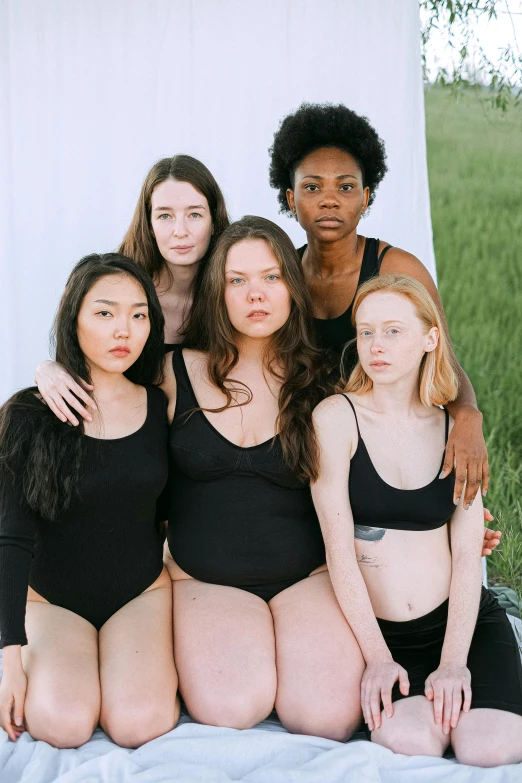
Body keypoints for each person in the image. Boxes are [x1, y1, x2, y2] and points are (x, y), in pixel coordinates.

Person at [161, 216, 365, 740]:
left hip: (307, 577)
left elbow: (379, 464)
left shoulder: (326, 378)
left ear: (293, 290)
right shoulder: (173, 371)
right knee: (233, 706)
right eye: (238, 280)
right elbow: (101, 416)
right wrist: (49, 373)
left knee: (327, 717)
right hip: (202, 578)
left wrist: (445, 518)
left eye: (272, 277)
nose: (256, 294)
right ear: (217, 292)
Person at [310, 274, 522, 767]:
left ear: (430, 339)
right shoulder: (336, 418)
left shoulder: (455, 430)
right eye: (365, 332)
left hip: (461, 626)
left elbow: (469, 555)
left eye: (392, 331)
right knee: (411, 743)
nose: (375, 346)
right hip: (384, 635)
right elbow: (338, 549)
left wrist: (454, 663)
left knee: (491, 748)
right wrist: (378, 657)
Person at [269, 103, 497, 523]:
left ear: (366, 197)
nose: (330, 201)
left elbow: (443, 360)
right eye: (313, 188)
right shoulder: (281, 275)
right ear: (291, 198)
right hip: (309, 444)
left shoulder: (396, 269)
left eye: (347, 187)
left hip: (380, 450)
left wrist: (468, 416)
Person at [0, 254, 178, 748]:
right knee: (63, 724)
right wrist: (8, 659)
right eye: (104, 312)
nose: (124, 328)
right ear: (72, 316)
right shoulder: (27, 413)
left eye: (139, 314)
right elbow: (10, 539)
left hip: (139, 593)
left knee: (138, 723)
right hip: (53, 599)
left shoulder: (161, 405)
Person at [35, 154, 230, 424]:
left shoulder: (233, 292)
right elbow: (72, 349)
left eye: (195, 214)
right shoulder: (114, 283)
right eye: (165, 216)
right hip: (129, 442)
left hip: (206, 451)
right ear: (148, 224)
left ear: (214, 220)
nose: (180, 231)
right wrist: (46, 369)